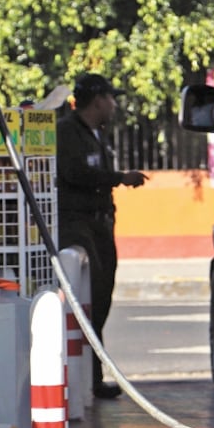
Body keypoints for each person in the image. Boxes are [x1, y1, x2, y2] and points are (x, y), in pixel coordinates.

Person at [56, 72, 148, 399]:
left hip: (100, 225)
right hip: (78, 225)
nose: (113, 105)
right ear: (98, 100)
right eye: (110, 98)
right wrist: (119, 177)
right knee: (90, 298)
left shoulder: (95, 134)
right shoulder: (68, 132)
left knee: (102, 297)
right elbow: (73, 172)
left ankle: (92, 378)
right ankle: (86, 380)